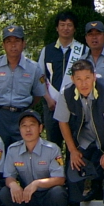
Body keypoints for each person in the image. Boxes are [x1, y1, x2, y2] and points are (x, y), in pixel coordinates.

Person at [56, 59, 104, 206]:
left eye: (87, 78)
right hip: (85, 140)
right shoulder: (66, 93)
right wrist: (73, 150)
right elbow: (62, 122)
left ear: (94, 76)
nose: (83, 83)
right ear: (72, 79)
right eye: (79, 79)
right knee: (73, 165)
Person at [0, 110, 68, 206]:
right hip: (27, 196)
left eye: (32, 125)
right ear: (19, 129)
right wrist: (13, 185)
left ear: (40, 128)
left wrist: (37, 183)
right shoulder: (13, 149)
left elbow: (60, 179)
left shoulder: (52, 149)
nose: (28, 129)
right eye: (24, 126)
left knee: (59, 192)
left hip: (47, 195)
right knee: (5, 192)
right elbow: (9, 176)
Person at [0, 25, 46, 149]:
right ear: (3, 45)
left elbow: (38, 94)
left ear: (23, 43)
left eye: (17, 41)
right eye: (9, 41)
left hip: (22, 116)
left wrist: (24, 106)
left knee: (23, 152)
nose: (13, 45)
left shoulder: (34, 68)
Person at [39, 11, 86, 143]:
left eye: (69, 25)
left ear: (74, 28)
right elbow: (40, 77)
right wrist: (48, 99)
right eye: (62, 25)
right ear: (57, 28)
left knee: (75, 144)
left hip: (75, 106)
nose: (66, 28)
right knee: (53, 144)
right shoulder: (47, 50)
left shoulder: (83, 50)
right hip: (52, 105)